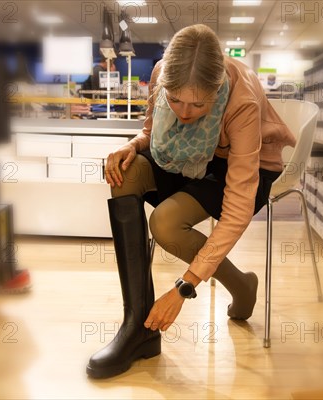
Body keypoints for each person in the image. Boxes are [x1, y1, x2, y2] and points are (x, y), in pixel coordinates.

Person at [86, 24, 296, 379]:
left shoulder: (240, 101)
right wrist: (131, 144)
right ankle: (138, 326)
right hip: (187, 155)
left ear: (216, 91)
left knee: (166, 224)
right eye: (175, 99)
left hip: (247, 164)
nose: (183, 112)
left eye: (198, 104)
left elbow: (237, 210)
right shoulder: (160, 75)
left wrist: (185, 286)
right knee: (128, 170)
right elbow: (152, 131)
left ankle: (241, 285)